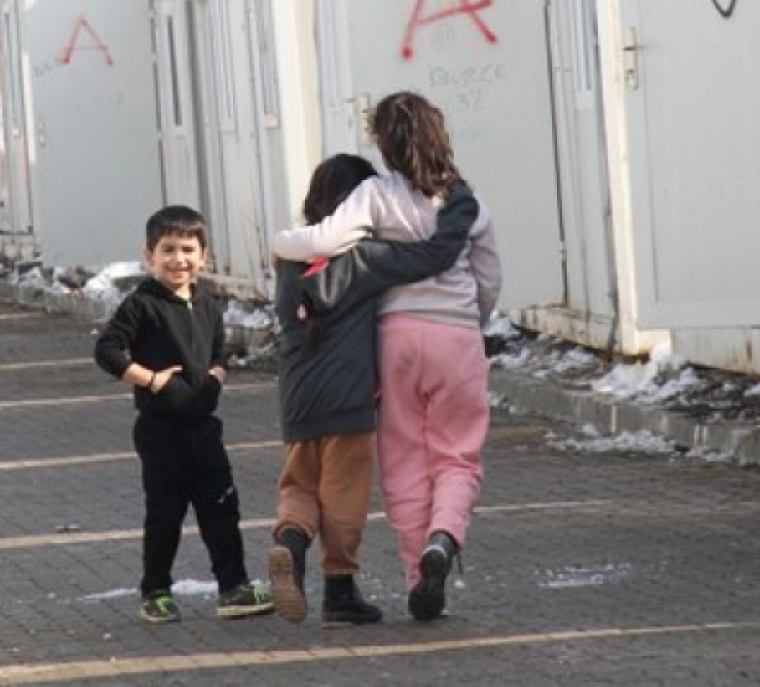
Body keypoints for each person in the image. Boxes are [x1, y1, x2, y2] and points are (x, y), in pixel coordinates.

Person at [270, 91, 501, 622]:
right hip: (458, 339)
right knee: (456, 456)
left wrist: (282, 242)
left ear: (385, 144)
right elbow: (489, 280)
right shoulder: (471, 204)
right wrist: (472, 322)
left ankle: (416, 576)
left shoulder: (375, 194)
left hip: (397, 337)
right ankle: (442, 541)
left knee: (403, 463)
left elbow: (324, 239)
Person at [93, 204, 275, 625]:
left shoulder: (208, 304)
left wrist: (216, 377)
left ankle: (233, 588)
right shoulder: (142, 304)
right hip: (160, 431)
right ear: (149, 256)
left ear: (204, 256)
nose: (179, 259)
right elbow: (106, 350)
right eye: (168, 249)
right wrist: (152, 381)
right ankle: (155, 591)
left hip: (204, 429)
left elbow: (218, 351)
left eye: (188, 249)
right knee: (166, 514)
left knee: (222, 510)